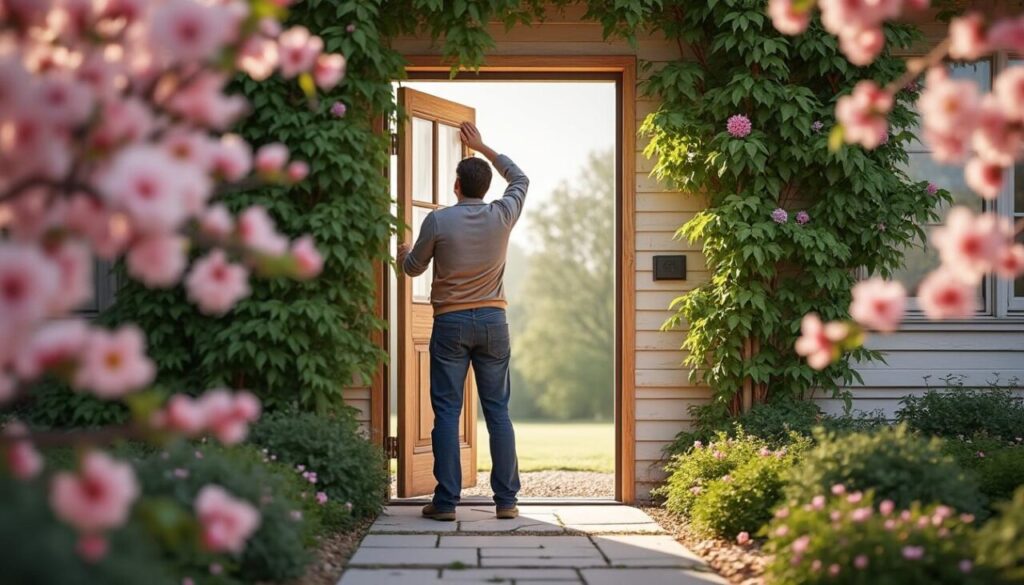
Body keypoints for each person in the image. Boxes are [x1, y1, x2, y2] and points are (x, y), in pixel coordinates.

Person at [398, 122, 529, 521]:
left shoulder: (438, 221)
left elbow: (412, 268)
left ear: (456, 185)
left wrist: (401, 252)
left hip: (450, 325)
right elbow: (520, 177)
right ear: (485, 187)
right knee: (498, 412)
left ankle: (446, 502)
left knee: (448, 412)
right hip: (494, 322)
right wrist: (483, 147)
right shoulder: (503, 212)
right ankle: (506, 502)